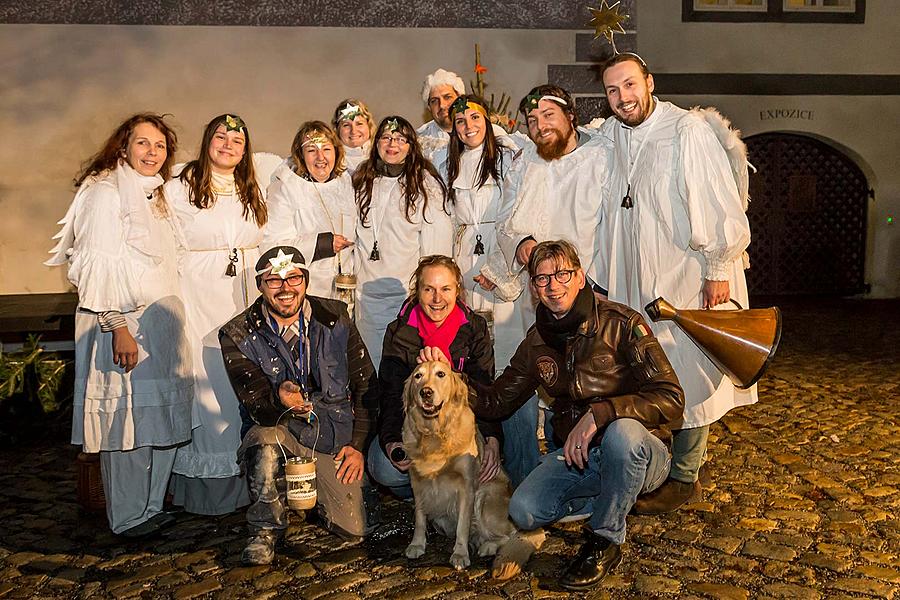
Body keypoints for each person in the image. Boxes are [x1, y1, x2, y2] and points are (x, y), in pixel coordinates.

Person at [430, 240, 684, 591]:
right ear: (533, 288)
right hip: (579, 458)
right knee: (524, 511)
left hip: (641, 451)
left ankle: (605, 540)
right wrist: (453, 380)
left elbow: (671, 398)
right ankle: (611, 497)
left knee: (622, 434)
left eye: (562, 274)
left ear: (580, 277)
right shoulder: (537, 342)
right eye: (542, 278)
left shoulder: (622, 323)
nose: (553, 285)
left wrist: (602, 413)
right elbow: (497, 401)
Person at [597, 53, 755, 514]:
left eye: (629, 85)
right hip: (635, 275)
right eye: (612, 90)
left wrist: (717, 270)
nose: (623, 98)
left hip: (684, 274)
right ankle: (654, 462)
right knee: (646, 367)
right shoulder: (614, 135)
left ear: (649, 81)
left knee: (688, 366)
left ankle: (685, 475)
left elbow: (716, 200)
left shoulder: (686, 130)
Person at [45, 113, 193, 537]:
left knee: (159, 419)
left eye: (160, 146)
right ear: (123, 147)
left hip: (163, 325)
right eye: (143, 143)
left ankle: (150, 506)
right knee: (125, 422)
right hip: (124, 324)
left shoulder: (157, 194)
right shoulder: (105, 193)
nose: (152, 153)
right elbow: (95, 267)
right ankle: (127, 515)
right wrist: (117, 326)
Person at [219, 245, 378, 565]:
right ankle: (264, 528)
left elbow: (366, 386)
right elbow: (254, 405)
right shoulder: (237, 334)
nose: (285, 288)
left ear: (305, 280)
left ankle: (316, 498)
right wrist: (279, 398)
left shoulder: (336, 317)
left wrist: (358, 445)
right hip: (282, 433)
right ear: (261, 285)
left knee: (356, 530)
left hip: (333, 437)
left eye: (293, 277)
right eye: (274, 280)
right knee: (263, 440)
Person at [164, 114, 275, 515]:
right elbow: (167, 243)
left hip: (244, 294)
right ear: (207, 140)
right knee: (211, 384)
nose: (228, 145)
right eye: (220, 137)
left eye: (237, 141)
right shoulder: (182, 187)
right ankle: (212, 490)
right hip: (201, 294)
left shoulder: (254, 188)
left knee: (244, 381)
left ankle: (255, 479)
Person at [435, 95, 538, 487]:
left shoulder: (511, 157)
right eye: (459, 121)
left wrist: (504, 270)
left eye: (474, 118)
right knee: (474, 361)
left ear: (487, 120)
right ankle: (478, 468)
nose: (467, 126)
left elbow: (522, 210)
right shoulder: (449, 164)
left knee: (513, 365)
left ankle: (522, 468)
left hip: (502, 259)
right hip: (465, 260)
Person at [368, 255, 502, 497]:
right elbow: (390, 392)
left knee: (524, 404)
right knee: (383, 468)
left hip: (461, 430)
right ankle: (427, 498)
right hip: (420, 430)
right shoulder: (399, 332)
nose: (437, 299)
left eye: (445, 289)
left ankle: (506, 491)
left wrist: (492, 437)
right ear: (417, 291)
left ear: (457, 290)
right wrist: (391, 440)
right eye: (429, 289)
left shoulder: (474, 328)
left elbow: (484, 386)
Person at [352, 115, 453, 369]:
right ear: (376, 143)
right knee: (370, 371)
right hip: (366, 296)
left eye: (400, 139)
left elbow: (435, 248)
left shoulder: (425, 185)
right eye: (386, 137)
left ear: (411, 146)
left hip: (405, 298)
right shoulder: (361, 181)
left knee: (403, 370)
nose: (392, 144)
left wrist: (428, 292)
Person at [263, 121, 356, 300]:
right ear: (301, 155)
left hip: (345, 292)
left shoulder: (346, 184)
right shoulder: (285, 188)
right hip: (306, 292)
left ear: (337, 152)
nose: (320, 157)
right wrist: (321, 244)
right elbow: (272, 249)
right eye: (312, 150)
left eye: (326, 149)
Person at [416, 68, 466, 161]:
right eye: (434, 101)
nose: (442, 105)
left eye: (447, 97)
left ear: (461, 99)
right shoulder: (418, 141)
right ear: (429, 107)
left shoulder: (485, 133)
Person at [332, 98, 377, 173]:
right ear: (337, 129)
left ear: (369, 126)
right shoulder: (330, 161)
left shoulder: (382, 156)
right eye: (346, 125)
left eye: (359, 124)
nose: (353, 131)